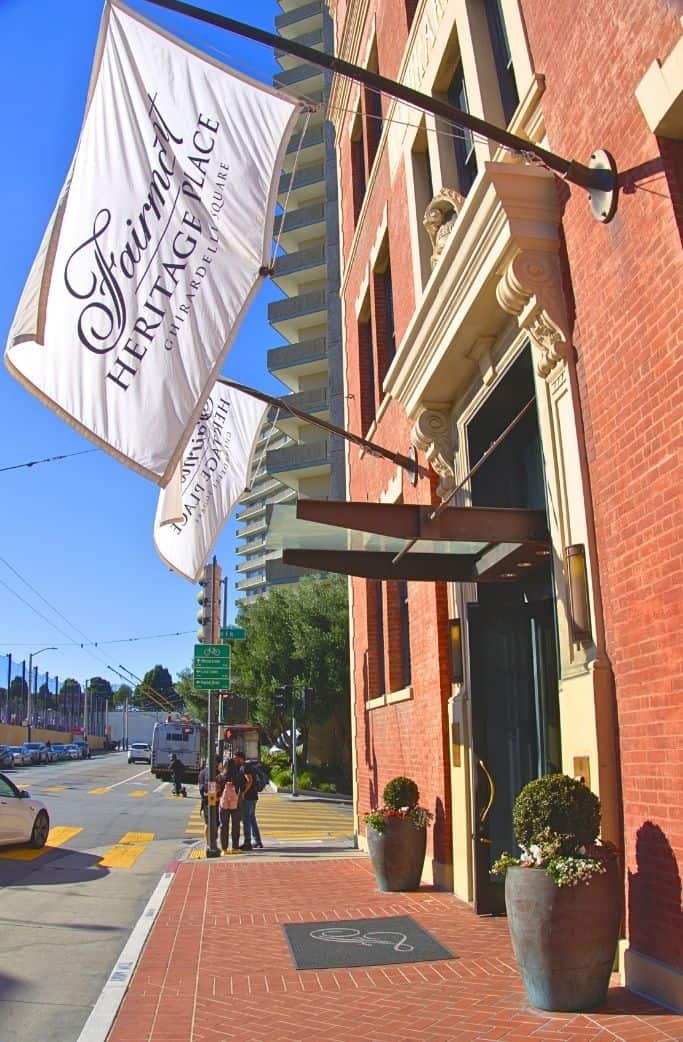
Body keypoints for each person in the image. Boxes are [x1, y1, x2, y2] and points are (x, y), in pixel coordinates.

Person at [234, 751, 263, 850]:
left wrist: (243, 793)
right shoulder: (247, 766)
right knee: (251, 818)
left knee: (246, 819)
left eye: (236, 758)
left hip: (248, 797)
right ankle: (257, 841)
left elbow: (249, 780)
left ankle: (247, 842)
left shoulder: (245, 767)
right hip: (253, 796)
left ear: (241, 758)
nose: (235, 760)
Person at [219, 758, 242, 853]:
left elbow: (216, 787)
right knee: (236, 825)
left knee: (223, 825)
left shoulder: (221, 776)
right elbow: (242, 787)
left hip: (223, 803)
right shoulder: (238, 775)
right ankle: (235, 847)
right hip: (235, 803)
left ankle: (224, 848)